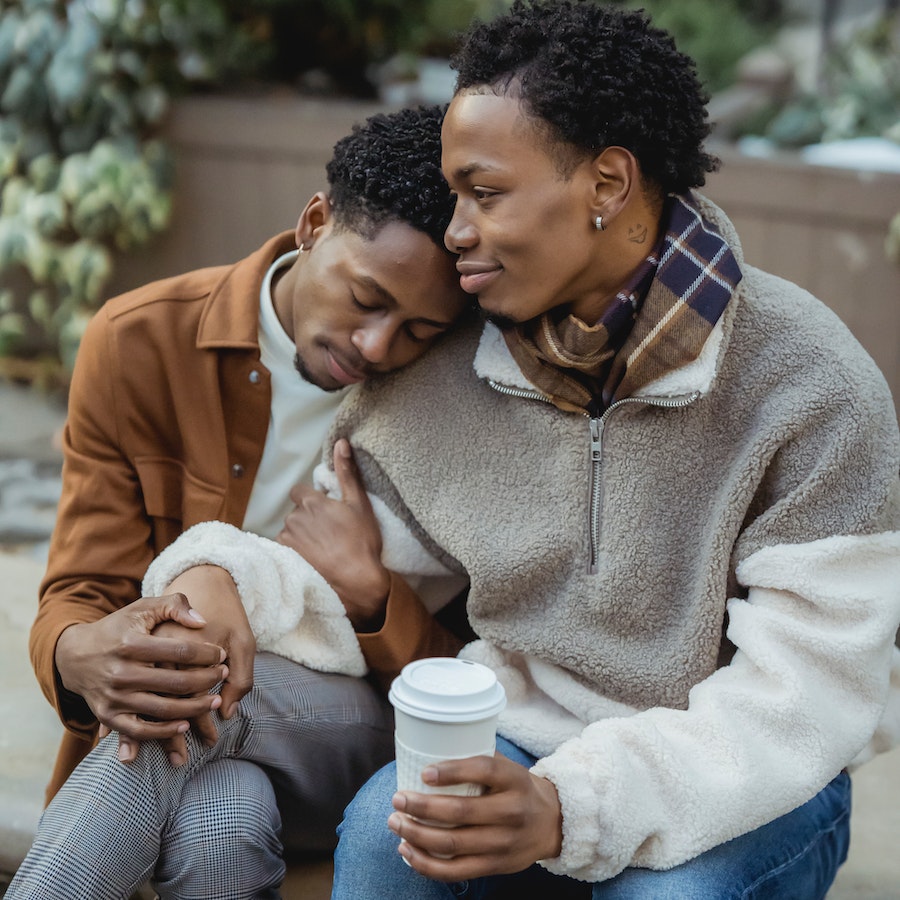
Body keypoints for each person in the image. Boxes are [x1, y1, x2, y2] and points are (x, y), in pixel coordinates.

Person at [312, 1, 896, 896]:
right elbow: (315, 572)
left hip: (742, 782)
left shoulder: (811, 384)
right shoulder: (447, 361)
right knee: (381, 842)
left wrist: (571, 808)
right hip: (521, 732)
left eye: (485, 192)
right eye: (453, 195)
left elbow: (804, 704)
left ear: (608, 185)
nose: (454, 230)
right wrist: (211, 592)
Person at [15, 103, 471, 899]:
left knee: (206, 684)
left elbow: (468, 681)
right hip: (200, 752)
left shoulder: (447, 404)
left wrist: (371, 596)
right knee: (221, 823)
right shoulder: (139, 342)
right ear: (314, 223)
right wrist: (76, 653)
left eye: (419, 330)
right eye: (366, 298)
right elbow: (78, 593)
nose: (378, 347)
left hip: (351, 736)